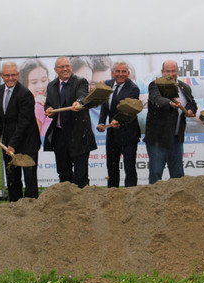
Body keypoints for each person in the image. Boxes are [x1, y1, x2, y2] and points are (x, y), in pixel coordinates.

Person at [0, 62, 41, 201]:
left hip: (27, 143)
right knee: (12, 176)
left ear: (18, 75)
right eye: (7, 75)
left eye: (13, 75)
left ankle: (31, 207)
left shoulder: (25, 94)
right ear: (2, 76)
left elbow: (23, 123)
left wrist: (12, 143)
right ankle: (14, 207)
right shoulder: (0, 90)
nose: (10, 78)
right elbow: (3, 114)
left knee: (29, 178)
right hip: (9, 142)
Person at [44, 57, 97, 188]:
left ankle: (82, 203)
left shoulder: (80, 82)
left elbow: (82, 95)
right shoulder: (51, 86)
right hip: (60, 136)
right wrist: (48, 110)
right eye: (61, 67)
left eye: (67, 66)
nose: (65, 69)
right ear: (56, 70)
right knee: (64, 174)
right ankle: (67, 204)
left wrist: (78, 102)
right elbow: (48, 104)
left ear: (71, 67)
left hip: (79, 136)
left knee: (81, 176)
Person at [143, 60, 197, 184]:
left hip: (176, 140)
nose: (171, 74)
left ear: (177, 71)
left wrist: (190, 110)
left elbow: (192, 103)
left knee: (178, 176)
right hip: (158, 140)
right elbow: (157, 99)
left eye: (173, 71)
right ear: (162, 72)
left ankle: (177, 203)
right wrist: (170, 103)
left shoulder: (185, 87)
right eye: (167, 71)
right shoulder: (155, 85)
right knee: (156, 175)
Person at [97, 60, 141, 187]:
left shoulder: (133, 89)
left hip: (129, 134)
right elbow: (104, 108)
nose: (120, 74)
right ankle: (112, 195)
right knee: (111, 167)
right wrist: (101, 122)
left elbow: (129, 111)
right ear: (112, 72)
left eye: (123, 72)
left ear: (128, 73)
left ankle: (131, 195)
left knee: (129, 168)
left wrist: (119, 121)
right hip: (112, 134)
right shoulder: (107, 85)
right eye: (117, 71)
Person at [18, 59, 52, 136]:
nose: (41, 86)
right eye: (34, 82)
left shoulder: (50, 100)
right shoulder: (37, 106)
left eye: (44, 80)